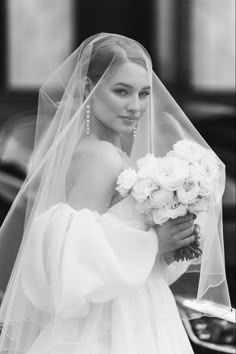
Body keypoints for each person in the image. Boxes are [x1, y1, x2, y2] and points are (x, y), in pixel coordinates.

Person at [0, 33, 231, 353]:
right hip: (111, 324)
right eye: (121, 92)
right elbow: (73, 257)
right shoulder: (100, 157)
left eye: (144, 93)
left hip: (138, 309)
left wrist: (175, 232)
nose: (135, 106)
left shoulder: (113, 155)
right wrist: (154, 242)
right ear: (88, 91)